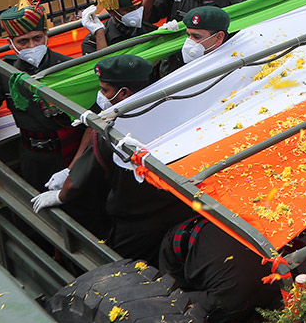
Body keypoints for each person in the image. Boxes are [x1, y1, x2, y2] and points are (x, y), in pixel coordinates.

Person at [39, 55, 194, 262]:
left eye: (105, 90)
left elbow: (78, 182)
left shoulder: (114, 131)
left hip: (136, 223)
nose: (101, 95)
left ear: (123, 93)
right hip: (180, 209)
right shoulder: (172, 108)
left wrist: (60, 196)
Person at [0, 0, 77, 188]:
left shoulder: (67, 65)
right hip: (32, 154)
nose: (32, 46)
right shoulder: (4, 72)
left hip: (69, 149)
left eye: (37, 38)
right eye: (23, 42)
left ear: (46, 36)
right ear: (11, 44)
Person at [158, 216, 282, 323]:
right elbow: (176, 304)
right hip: (180, 244)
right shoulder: (231, 303)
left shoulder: (281, 271)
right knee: (171, 303)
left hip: (207, 226)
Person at [156, 6, 231, 79]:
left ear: (219, 37)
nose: (190, 41)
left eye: (197, 37)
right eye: (188, 35)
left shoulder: (232, 60)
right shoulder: (179, 56)